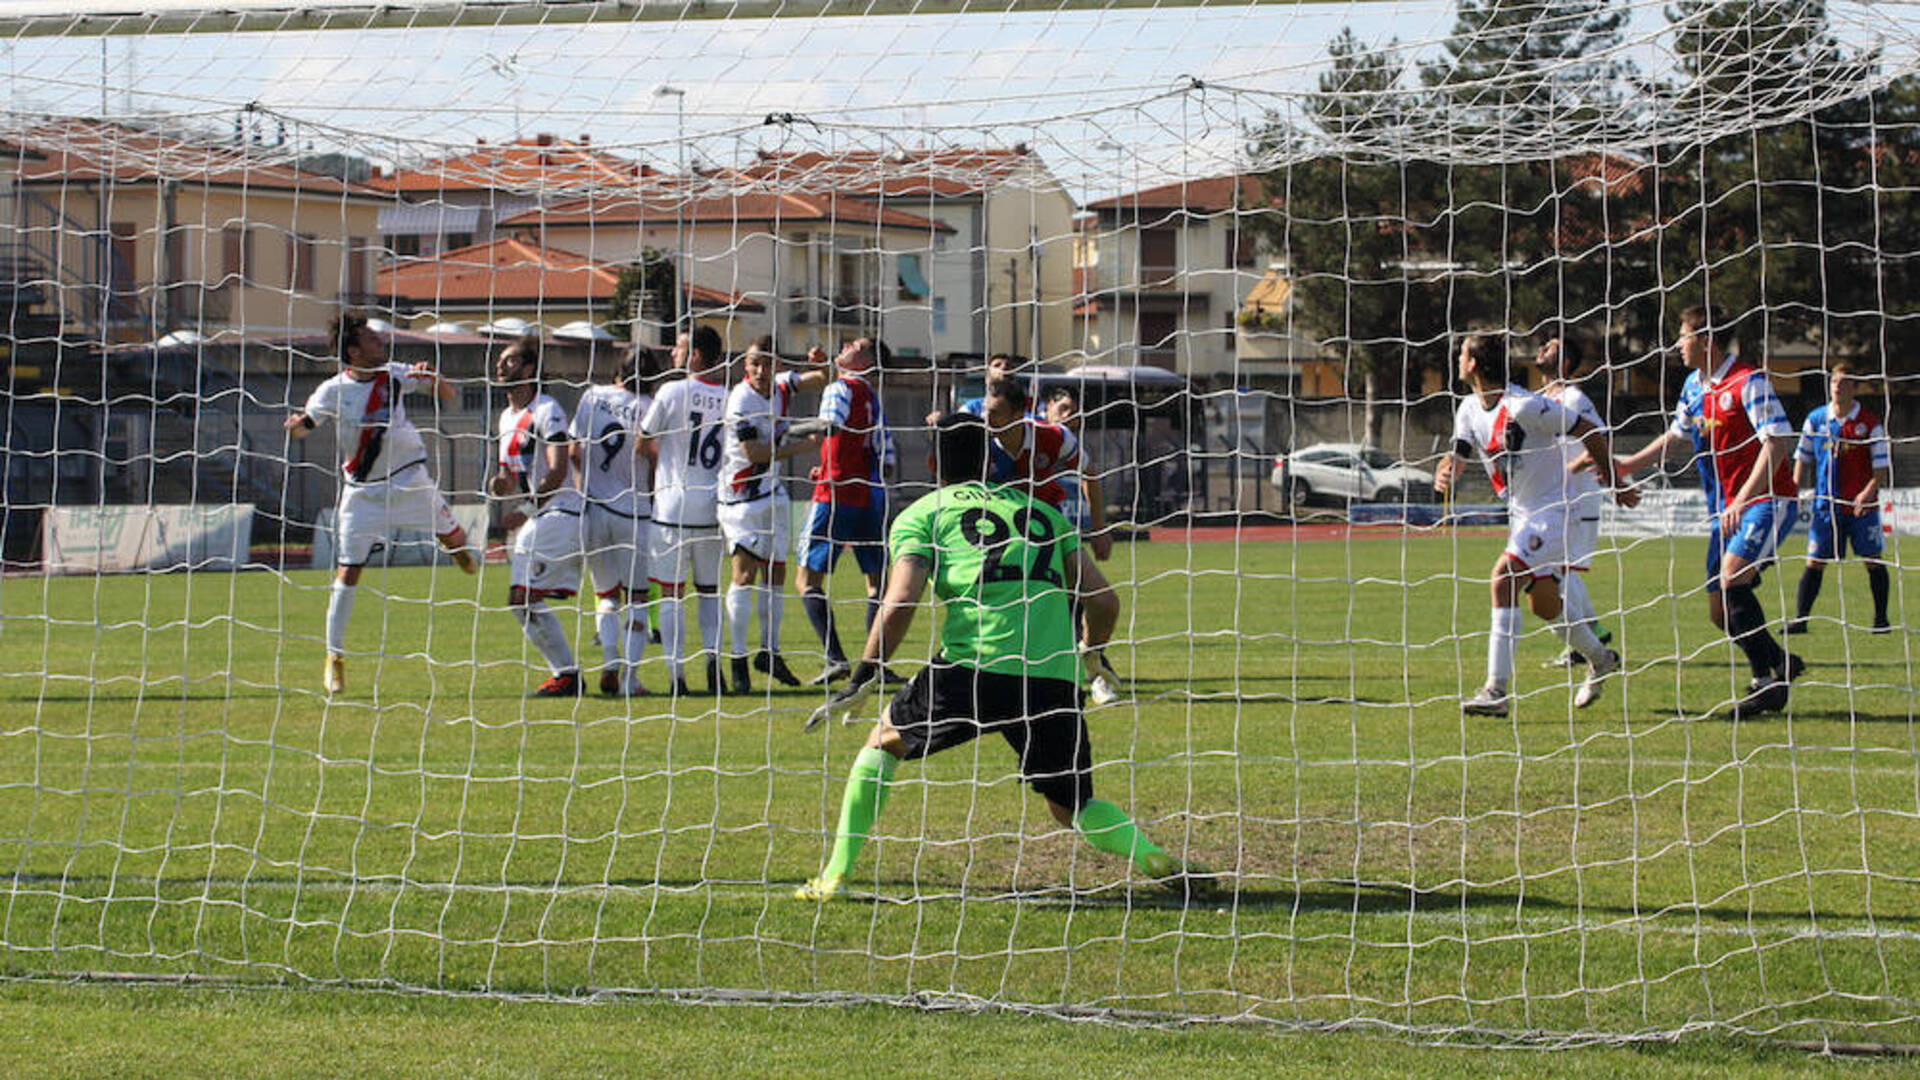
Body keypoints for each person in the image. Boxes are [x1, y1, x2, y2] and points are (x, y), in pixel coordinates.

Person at [795, 412, 1208, 902]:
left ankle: (834, 876)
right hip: (1052, 674)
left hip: (974, 667)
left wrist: (863, 674)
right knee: (1071, 805)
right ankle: (1149, 855)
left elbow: (901, 599)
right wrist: (1092, 656)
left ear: (932, 462)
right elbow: (1105, 602)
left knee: (882, 744)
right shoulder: (1044, 514)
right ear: (991, 461)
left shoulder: (925, 512)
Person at [1433, 332, 1638, 717]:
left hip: (1557, 512)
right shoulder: (1467, 409)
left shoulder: (1525, 406)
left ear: (1473, 364)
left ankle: (1496, 691)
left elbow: (1588, 430)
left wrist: (1613, 480)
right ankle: (1601, 657)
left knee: (1503, 577)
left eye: (1461, 354)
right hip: (1523, 515)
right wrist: (1445, 472)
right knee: (1545, 606)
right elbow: (1458, 454)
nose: (1458, 360)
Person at [285, 311, 478, 695]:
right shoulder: (332, 391)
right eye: (372, 339)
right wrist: (295, 428)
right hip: (362, 494)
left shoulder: (394, 373)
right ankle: (334, 658)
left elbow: (447, 394)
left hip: (411, 482)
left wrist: (431, 378)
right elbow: (306, 427)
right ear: (353, 351)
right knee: (349, 572)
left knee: (460, 546)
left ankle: (451, 543)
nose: (381, 343)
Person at [1628, 305, 1802, 720]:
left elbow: (1777, 442)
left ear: (1707, 339)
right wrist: (1626, 466)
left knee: (1731, 578)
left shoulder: (1748, 381)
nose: (1678, 344)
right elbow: (1676, 436)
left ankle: (1767, 684)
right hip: (1726, 509)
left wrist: (1742, 498)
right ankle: (1782, 661)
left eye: (1683, 335)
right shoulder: (1693, 386)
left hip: (1767, 500)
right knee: (1719, 612)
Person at [983, 376, 1123, 704]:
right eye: (986, 412)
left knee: (1096, 602)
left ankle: (1095, 668)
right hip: (999, 539)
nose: (987, 420)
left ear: (1020, 414)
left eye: (996, 413)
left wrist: (1099, 528)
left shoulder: (1054, 438)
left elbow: (1090, 474)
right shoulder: (979, 441)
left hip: (1048, 529)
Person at [717, 339, 830, 693]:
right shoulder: (740, 401)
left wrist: (820, 361)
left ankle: (770, 651)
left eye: (767, 363)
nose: (761, 371)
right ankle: (737, 658)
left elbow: (822, 379)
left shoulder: (781, 385)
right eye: (755, 363)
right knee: (744, 574)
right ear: (744, 366)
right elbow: (754, 452)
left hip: (773, 493)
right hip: (742, 497)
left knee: (777, 569)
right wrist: (806, 445)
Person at [488, 334, 588, 697]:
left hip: (561, 514)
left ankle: (568, 675)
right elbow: (513, 474)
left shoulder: (548, 410)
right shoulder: (505, 418)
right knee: (523, 598)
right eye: (500, 360)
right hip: (543, 517)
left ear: (528, 369)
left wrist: (524, 510)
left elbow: (558, 470)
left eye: (510, 360)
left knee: (522, 597)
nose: (500, 365)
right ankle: (574, 673)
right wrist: (501, 483)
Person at [639, 326, 732, 696]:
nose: (672, 353)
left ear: (694, 355)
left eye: (678, 348)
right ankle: (714, 664)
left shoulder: (672, 391)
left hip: (672, 507)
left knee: (671, 594)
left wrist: (664, 462)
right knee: (709, 591)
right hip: (712, 507)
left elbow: (643, 440)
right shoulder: (728, 397)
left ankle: (676, 675)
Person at [796, 336, 893, 684]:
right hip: (869, 496)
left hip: (834, 495)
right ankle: (876, 665)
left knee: (806, 581)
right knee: (877, 584)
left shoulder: (840, 388)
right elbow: (888, 457)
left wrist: (784, 430)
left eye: (856, 344)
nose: (846, 344)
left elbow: (830, 426)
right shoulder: (873, 400)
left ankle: (836, 658)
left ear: (865, 360)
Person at [569, 349, 657, 696]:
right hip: (633, 512)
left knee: (605, 594)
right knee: (637, 598)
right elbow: (654, 456)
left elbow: (574, 452)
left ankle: (609, 660)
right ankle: (629, 680)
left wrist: (584, 488)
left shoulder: (592, 396)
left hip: (593, 508)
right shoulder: (649, 406)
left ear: (618, 371)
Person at [1789, 360, 1893, 634]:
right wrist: (1795, 489)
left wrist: (1868, 491)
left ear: (1854, 388)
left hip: (1861, 507)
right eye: (1834, 381)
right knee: (1814, 562)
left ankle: (1881, 621)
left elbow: (1881, 466)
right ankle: (1800, 620)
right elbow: (1802, 458)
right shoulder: (1816, 419)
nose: (1837, 386)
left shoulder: (1869, 423)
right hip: (1826, 506)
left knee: (1872, 559)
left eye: (1844, 382)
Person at [1534, 337, 1619, 669]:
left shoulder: (1574, 398)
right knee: (1557, 569)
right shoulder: (1540, 400)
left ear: (1565, 362)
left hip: (1578, 499)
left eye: (1551, 346)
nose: (1541, 349)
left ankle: (1587, 638)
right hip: (1552, 500)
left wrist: (1569, 469)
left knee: (1556, 569)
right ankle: (1591, 632)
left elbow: (1600, 437)